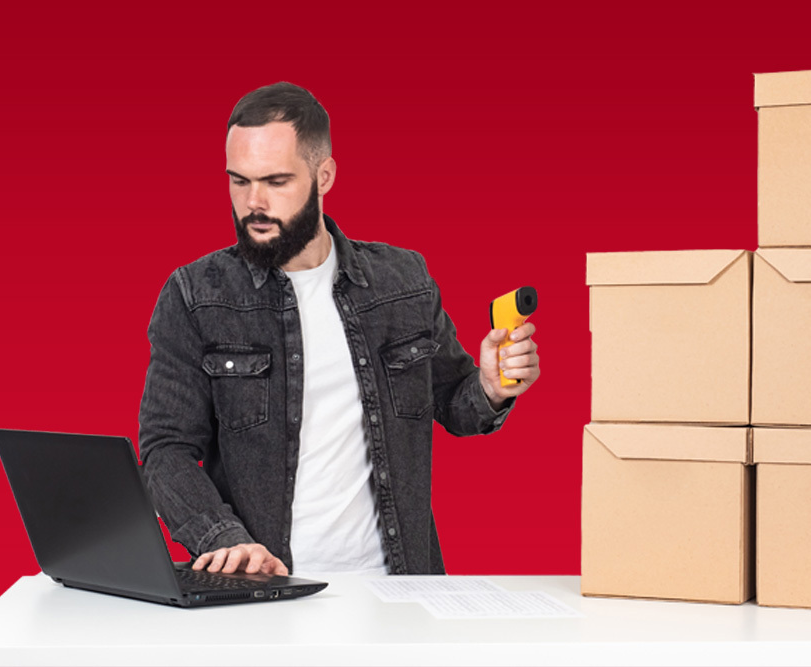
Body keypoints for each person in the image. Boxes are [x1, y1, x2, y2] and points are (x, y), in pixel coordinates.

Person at [138, 82, 540, 578]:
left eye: (276, 181)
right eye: (238, 181)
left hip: (399, 595)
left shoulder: (404, 281)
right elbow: (164, 452)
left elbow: (454, 402)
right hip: (265, 595)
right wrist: (224, 539)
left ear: (323, 175)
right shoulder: (195, 296)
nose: (253, 203)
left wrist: (489, 386)